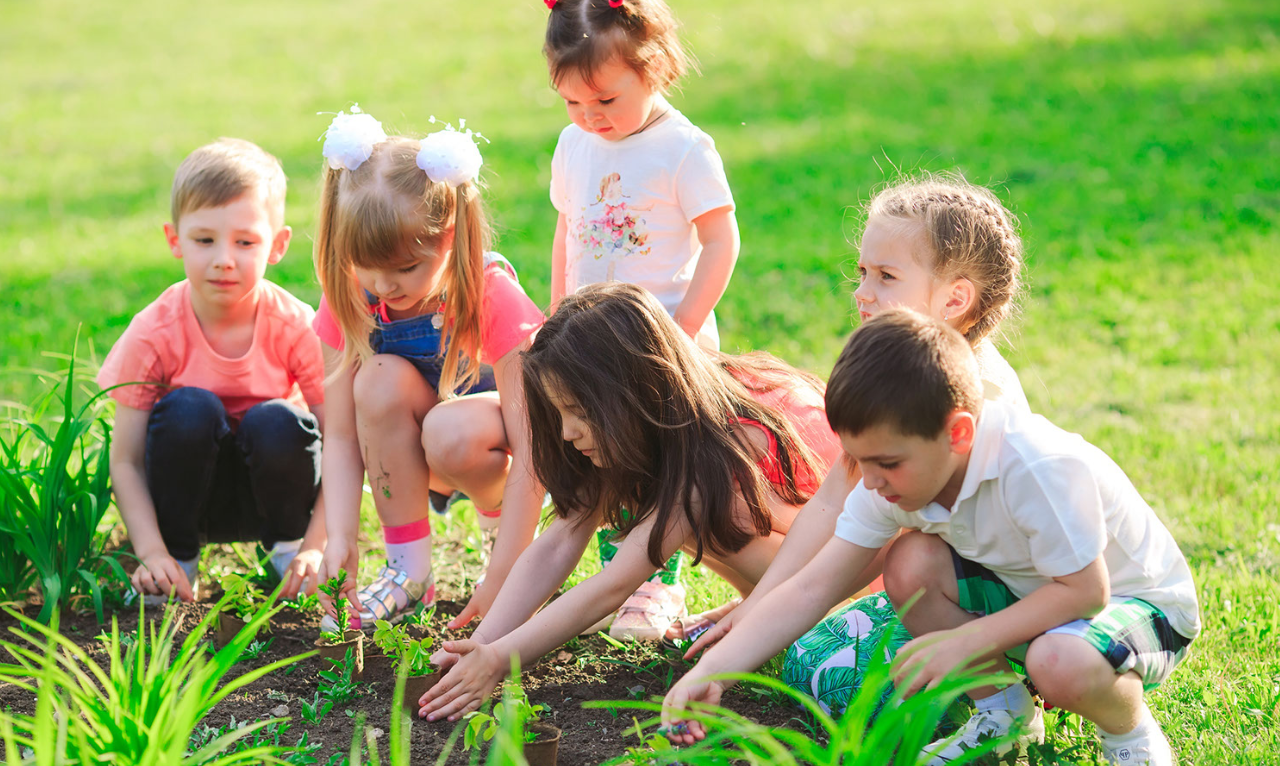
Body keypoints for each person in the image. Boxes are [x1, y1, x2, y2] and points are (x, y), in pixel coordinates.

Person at [664, 309, 1200, 766]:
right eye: (860, 461)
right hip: (1036, 597)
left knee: (1058, 661)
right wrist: (714, 672)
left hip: (1142, 608)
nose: (869, 482)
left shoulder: (1037, 466)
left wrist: (962, 642)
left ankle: (1131, 734)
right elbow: (813, 588)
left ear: (959, 433)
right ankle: (1004, 713)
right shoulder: (893, 479)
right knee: (909, 563)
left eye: (887, 463)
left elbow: (1086, 592)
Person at [417, 282, 843, 722]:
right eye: (559, 412)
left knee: (706, 506)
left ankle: (770, 613)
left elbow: (616, 584)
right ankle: (755, 603)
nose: (566, 432)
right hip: (789, 563)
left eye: (578, 412)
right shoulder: (642, 434)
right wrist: (482, 646)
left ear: (632, 394)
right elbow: (560, 538)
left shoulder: (711, 445)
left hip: (835, 584)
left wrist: (501, 660)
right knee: (688, 508)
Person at [685, 176, 1029, 718]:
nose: (862, 292)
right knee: (806, 662)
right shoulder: (899, 369)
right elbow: (829, 503)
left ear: (954, 299)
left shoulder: (973, 396)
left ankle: (999, 691)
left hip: (998, 603)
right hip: (932, 590)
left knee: (846, 686)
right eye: (862, 272)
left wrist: (763, 615)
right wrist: (760, 606)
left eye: (886, 276)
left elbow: (861, 550)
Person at [526, 0, 742, 640]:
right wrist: (559, 315)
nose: (590, 119)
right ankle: (615, 572)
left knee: (658, 459)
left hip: (661, 338)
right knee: (602, 454)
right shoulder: (575, 145)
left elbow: (721, 242)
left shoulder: (683, 149)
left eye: (605, 102)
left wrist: (684, 330)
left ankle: (659, 584)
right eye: (572, 104)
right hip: (594, 341)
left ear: (657, 67)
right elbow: (569, 229)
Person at [311, 107, 545, 631]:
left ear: (450, 235)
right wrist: (341, 538)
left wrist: (506, 575)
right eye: (365, 265)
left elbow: (535, 442)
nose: (382, 285)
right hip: (411, 449)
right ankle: (408, 574)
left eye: (404, 268)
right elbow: (344, 436)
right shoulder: (350, 296)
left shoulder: (492, 295)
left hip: (496, 448)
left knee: (450, 428)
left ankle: (502, 537)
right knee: (375, 379)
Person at [98, 138, 327, 603]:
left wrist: (317, 545)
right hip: (188, 499)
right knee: (188, 408)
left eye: (245, 242)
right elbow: (124, 460)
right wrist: (152, 552)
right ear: (174, 239)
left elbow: (343, 442)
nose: (224, 257)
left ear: (278, 245)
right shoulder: (153, 331)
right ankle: (178, 562)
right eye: (205, 240)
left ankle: (287, 553)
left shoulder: (298, 326)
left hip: (279, 497)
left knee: (276, 420)